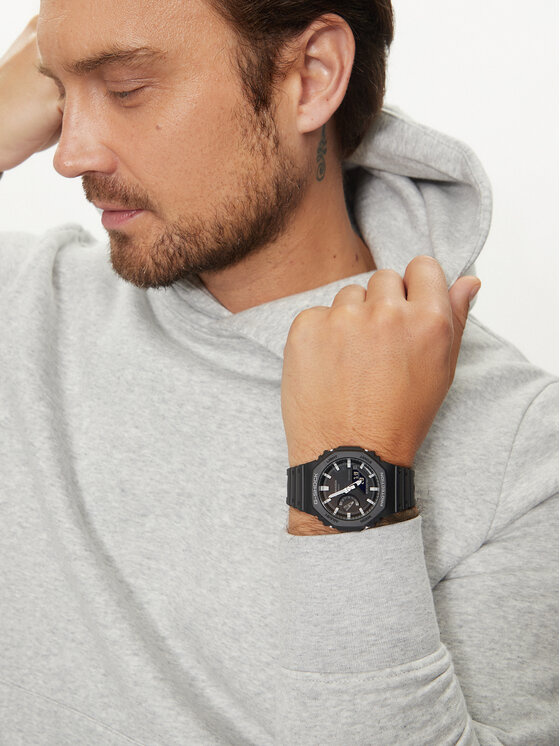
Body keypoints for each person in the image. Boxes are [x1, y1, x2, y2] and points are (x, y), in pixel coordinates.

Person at [0, 0, 557, 744]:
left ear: (312, 75)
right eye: (61, 92)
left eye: (127, 88)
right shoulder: (27, 302)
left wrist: (351, 472)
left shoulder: (522, 449)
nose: (70, 155)